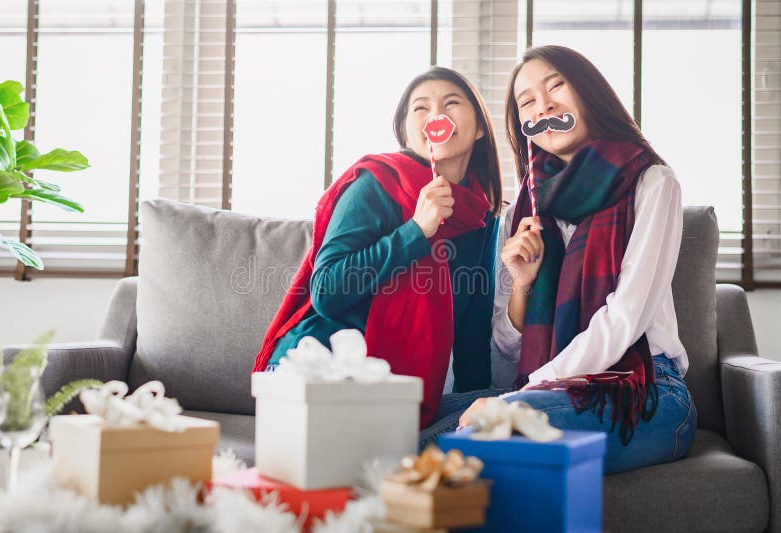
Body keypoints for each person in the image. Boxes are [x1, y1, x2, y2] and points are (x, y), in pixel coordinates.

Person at [459, 45, 697, 474]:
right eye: (527, 101)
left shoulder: (652, 182)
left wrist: (521, 396)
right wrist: (522, 285)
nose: (543, 105)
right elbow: (504, 356)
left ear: (588, 93)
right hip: (549, 389)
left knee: (484, 433)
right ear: (524, 125)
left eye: (556, 86)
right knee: (414, 426)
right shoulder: (524, 212)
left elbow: (624, 318)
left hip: (645, 390)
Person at [253, 66, 505, 445]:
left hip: (390, 390)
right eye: (421, 108)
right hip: (316, 367)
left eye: (451, 103)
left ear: (480, 128)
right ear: (406, 132)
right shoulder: (376, 183)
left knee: (502, 408)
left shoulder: (479, 219)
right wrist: (416, 232)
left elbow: (471, 331)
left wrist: (477, 417)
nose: (436, 114)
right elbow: (326, 291)